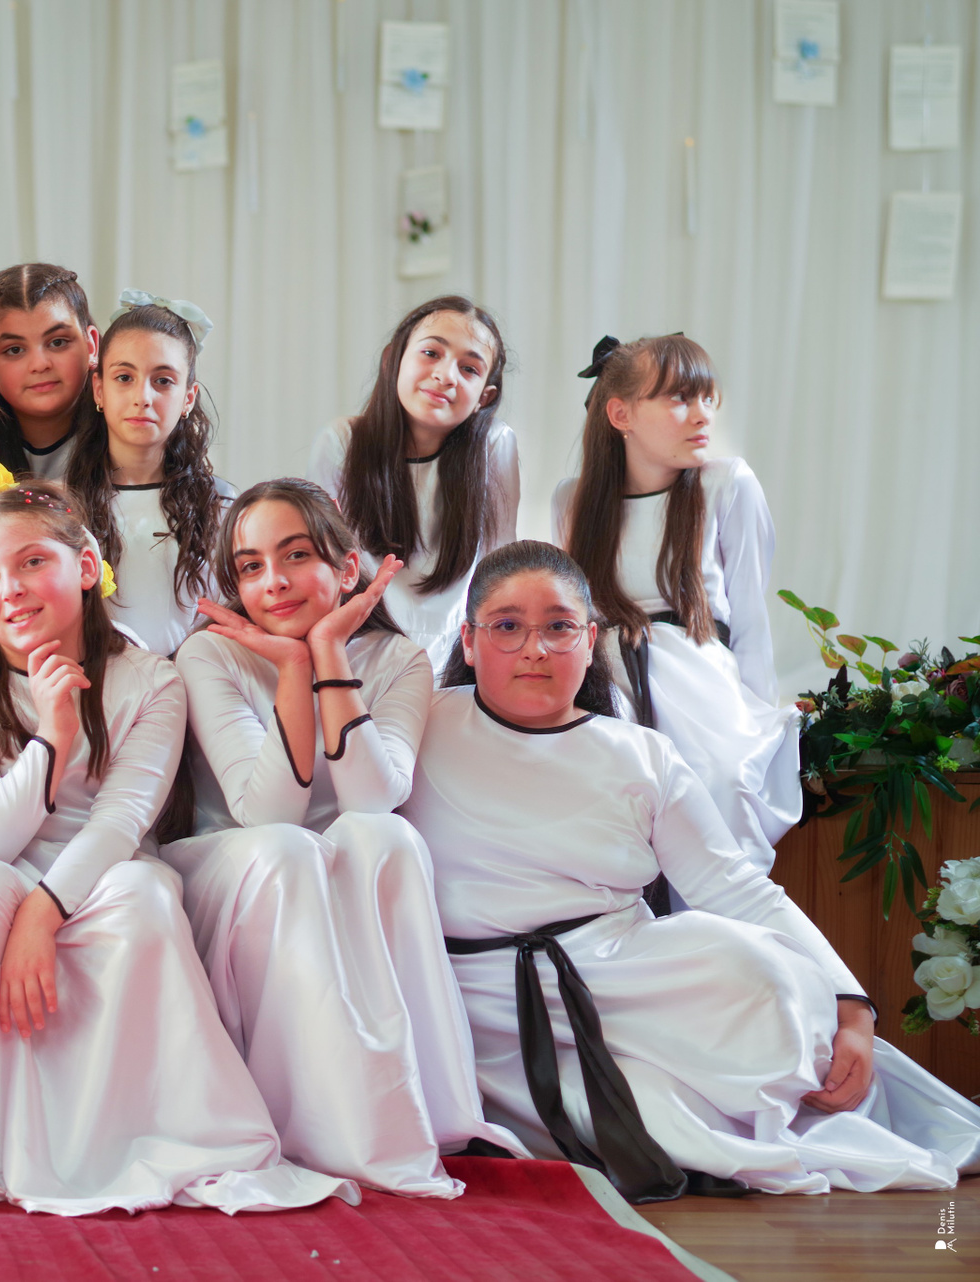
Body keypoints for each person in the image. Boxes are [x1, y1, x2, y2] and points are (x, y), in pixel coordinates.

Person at [0, 483, 345, 1215]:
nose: (11, 590)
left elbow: (120, 823)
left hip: (106, 867)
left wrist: (44, 912)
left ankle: (128, 1142)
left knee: (144, 895)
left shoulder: (149, 678)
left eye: (31, 563)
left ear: (84, 568)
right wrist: (52, 740)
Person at [402, 540, 980, 1199]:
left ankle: (815, 1076)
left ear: (589, 640)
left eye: (558, 626)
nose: (534, 648)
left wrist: (853, 1007)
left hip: (624, 978)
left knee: (761, 974)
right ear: (470, 640)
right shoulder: (420, 723)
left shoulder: (642, 755)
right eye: (507, 626)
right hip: (471, 1000)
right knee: (660, 1127)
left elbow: (735, 888)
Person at [162, 479, 525, 1197]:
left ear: (347, 568)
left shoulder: (399, 660)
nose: (273, 581)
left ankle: (406, 1113)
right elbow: (267, 812)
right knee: (291, 849)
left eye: (296, 556)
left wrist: (326, 654)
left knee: (386, 840)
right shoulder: (211, 655)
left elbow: (372, 798)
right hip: (236, 861)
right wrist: (291, 669)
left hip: (336, 866)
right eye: (251, 566)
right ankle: (309, 1126)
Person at [555, 334, 799, 890]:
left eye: (708, 398)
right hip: (609, 682)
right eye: (680, 399)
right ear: (621, 414)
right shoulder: (572, 501)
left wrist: (754, 714)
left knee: (719, 781)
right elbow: (569, 619)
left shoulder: (726, 483)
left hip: (700, 678)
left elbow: (750, 616)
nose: (702, 415)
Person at [307, 297, 519, 675]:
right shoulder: (342, 442)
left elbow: (500, 565)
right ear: (392, 360)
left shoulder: (494, 445)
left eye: (469, 368)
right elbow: (326, 566)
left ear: (483, 397)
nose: (446, 375)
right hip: (363, 649)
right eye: (431, 353)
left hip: (461, 655)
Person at [64, 293, 234, 656]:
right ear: (99, 389)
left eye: (163, 381)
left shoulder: (224, 506)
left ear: (188, 397)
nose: (143, 396)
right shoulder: (62, 506)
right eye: (124, 377)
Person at [0, 263, 100, 481]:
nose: (39, 365)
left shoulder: (132, 427)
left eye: (58, 342)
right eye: (14, 350)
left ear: (91, 346)